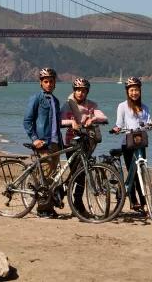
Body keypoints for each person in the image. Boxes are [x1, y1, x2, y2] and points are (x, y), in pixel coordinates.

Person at [60, 77, 108, 214]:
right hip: (71, 143)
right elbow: (59, 120)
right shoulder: (67, 105)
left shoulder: (91, 105)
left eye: (83, 90)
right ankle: (77, 203)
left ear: (87, 92)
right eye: (77, 90)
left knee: (81, 173)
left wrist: (92, 118)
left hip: (87, 143)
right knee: (79, 174)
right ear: (74, 91)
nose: (80, 93)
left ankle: (75, 200)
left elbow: (104, 118)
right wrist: (71, 122)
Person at [23, 67, 63, 219]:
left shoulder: (56, 101)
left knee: (53, 178)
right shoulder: (36, 98)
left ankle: (49, 207)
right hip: (43, 143)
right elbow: (27, 121)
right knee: (45, 176)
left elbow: (57, 123)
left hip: (55, 143)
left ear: (55, 83)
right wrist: (34, 139)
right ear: (41, 83)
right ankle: (42, 209)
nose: (49, 84)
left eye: (51, 81)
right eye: (45, 81)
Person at [112, 77, 151, 214]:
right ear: (127, 92)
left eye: (137, 90)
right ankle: (134, 202)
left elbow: (147, 122)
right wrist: (116, 129)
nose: (134, 93)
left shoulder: (144, 107)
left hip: (141, 143)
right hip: (127, 143)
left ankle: (144, 202)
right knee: (132, 174)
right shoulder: (122, 106)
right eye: (132, 90)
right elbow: (119, 123)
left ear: (140, 91)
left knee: (141, 173)